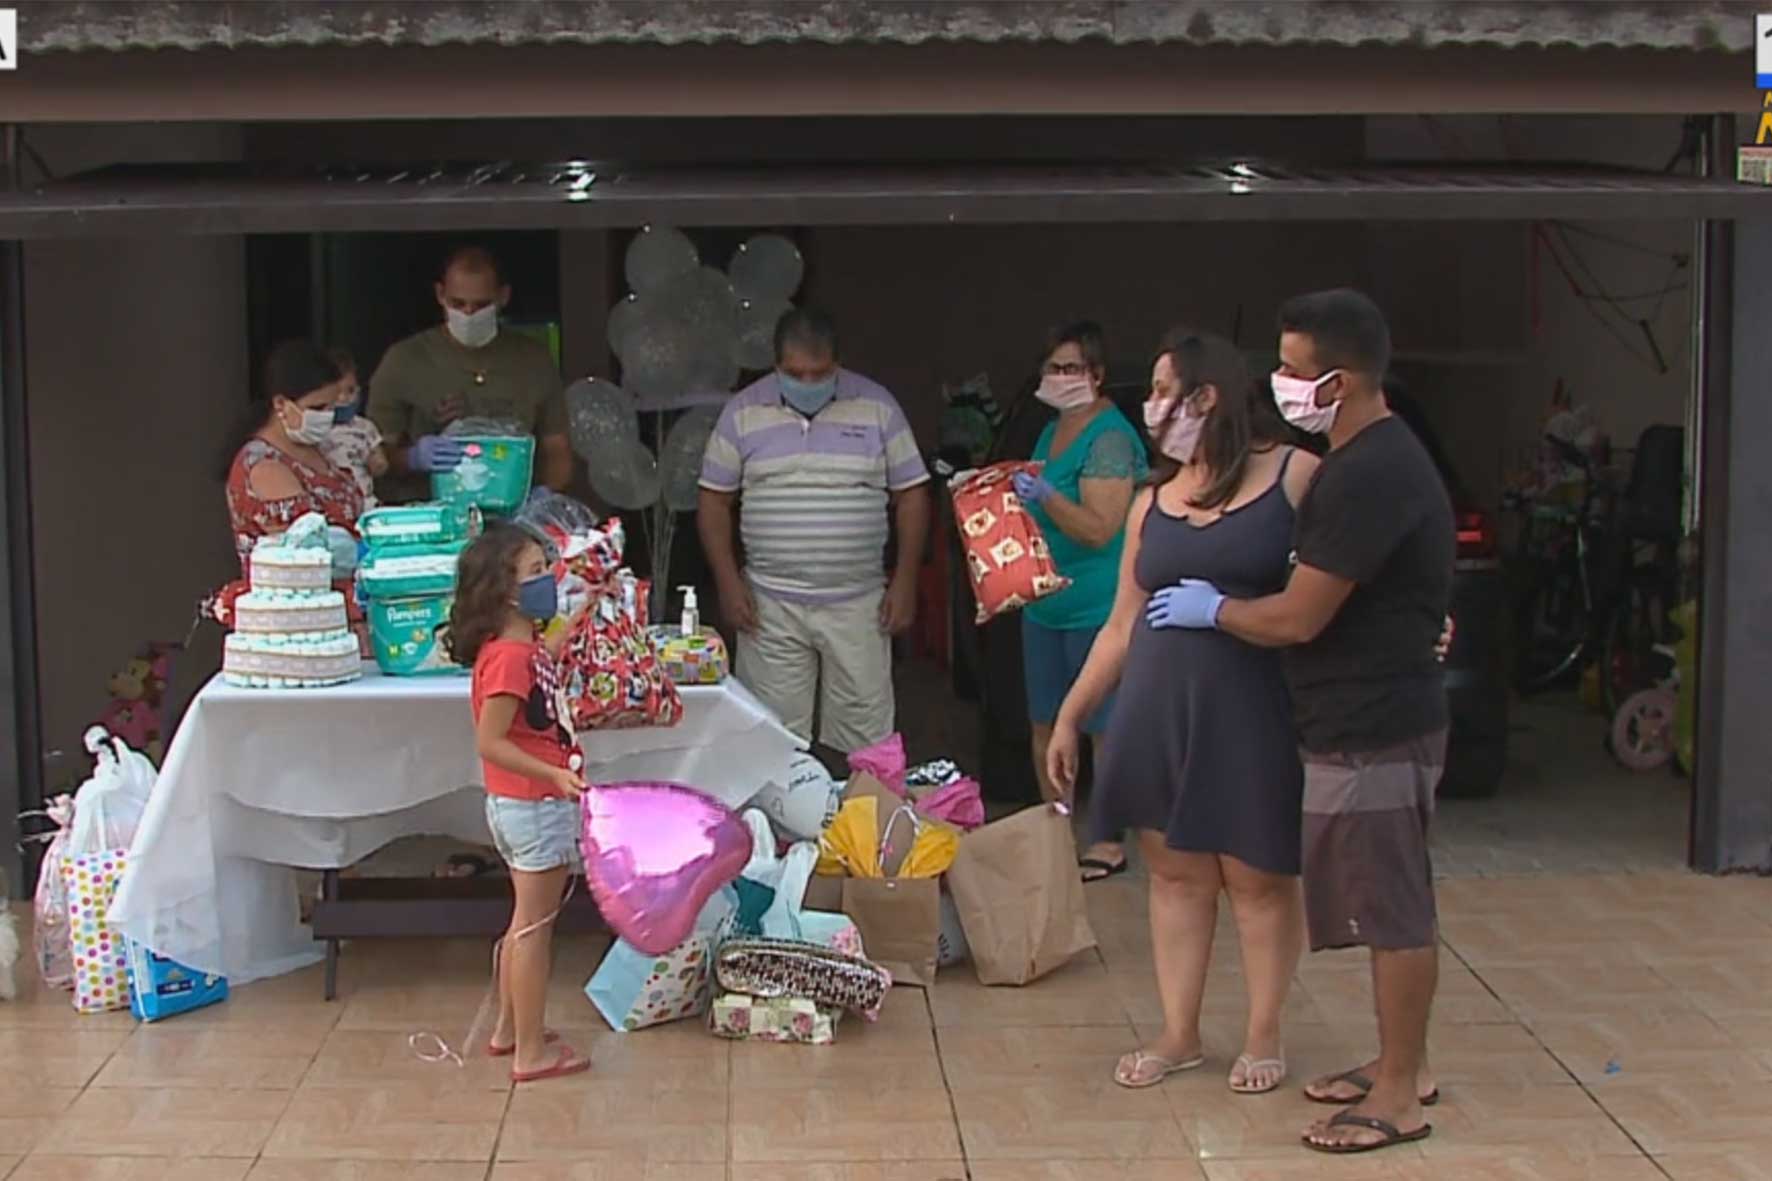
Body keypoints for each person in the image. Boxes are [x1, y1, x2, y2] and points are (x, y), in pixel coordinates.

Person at [1143, 290, 1455, 1155]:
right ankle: (1403, 1060)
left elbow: (1298, 617)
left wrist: (1220, 612)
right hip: (1354, 713)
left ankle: (1399, 1093)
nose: (1279, 383)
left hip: (1376, 721)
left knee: (1391, 910)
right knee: (1379, 899)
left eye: (1292, 369)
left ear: (1341, 380)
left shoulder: (1367, 470)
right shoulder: (1361, 460)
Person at [1049, 330, 1317, 1096]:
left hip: (1251, 706)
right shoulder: (1151, 502)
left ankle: (1264, 1031)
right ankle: (1180, 1031)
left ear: (1206, 397)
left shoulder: (1295, 474)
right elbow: (1120, 624)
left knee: (1258, 875)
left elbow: (1350, 570)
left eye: (1162, 390)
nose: (1150, 406)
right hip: (1158, 709)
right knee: (1174, 875)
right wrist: (1072, 715)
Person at [697, 307, 932, 754]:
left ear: (838, 365)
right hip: (769, 604)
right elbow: (713, 500)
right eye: (795, 374)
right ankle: (779, 826)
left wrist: (905, 580)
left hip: (860, 601)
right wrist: (728, 583)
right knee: (769, 738)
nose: (807, 384)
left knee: (868, 739)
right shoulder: (743, 412)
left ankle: (860, 822)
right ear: (775, 366)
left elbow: (913, 495)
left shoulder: (878, 407)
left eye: (818, 374)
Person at [447, 524, 590, 1084]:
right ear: (505, 590)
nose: (548, 580)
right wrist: (554, 772)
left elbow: (539, 670)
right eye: (535, 572)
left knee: (521, 922)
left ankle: (509, 1029)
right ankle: (531, 1050)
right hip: (534, 805)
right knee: (534, 930)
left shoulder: (517, 648)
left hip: (518, 806)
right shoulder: (509, 657)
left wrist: (576, 622)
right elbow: (492, 740)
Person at [1011, 322, 1147, 882]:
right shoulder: (1053, 429)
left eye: (1071, 368)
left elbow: (1099, 527)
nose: (1060, 378)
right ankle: (1056, 833)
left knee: (1101, 728)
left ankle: (1107, 840)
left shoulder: (1110, 438)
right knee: (1044, 721)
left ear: (1097, 374)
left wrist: (1046, 495)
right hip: (1046, 602)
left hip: (1098, 607)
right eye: (1052, 368)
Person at [367, 245, 573, 504]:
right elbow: (373, 455)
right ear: (440, 294)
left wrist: (544, 496)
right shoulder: (404, 360)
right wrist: (413, 457)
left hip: (513, 514)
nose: (468, 314)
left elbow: (557, 449)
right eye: (458, 303)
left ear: (503, 297)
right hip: (429, 513)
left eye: (481, 305)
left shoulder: (533, 361)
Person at [223, 340, 364, 571]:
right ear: (281, 404)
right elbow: (308, 548)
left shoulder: (315, 446)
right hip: (299, 599)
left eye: (331, 408)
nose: (326, 417)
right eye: (317, 408)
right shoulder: (264, 466)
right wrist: (366, 552)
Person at [319, 348, 388, 509]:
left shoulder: (365, 426)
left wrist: (378, 463)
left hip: (365, 499)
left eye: (350, 391)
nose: (343, 398)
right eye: (336, 392)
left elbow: (380, 458)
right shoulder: (315, 427)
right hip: (331, 502)